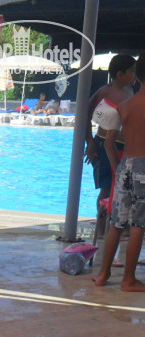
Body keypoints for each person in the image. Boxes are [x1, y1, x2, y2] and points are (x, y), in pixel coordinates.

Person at [92, 53, 145, 292]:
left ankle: (103, 273)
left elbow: (108, 142)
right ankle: (128, 279)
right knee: (138, 225)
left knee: (117, 222)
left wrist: (116, 169)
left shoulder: (124, 106)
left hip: (125, 166)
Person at [84, 54, 137, 235]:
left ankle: (118, 225)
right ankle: (100, 230)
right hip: (104, 145)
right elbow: (85, 114)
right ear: (120, 74)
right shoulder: (105, 92)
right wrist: (90, 142)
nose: (135, 75)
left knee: (122, 187)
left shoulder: (130, 90)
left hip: (122, 147)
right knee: (107, 188)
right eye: (132, 71)